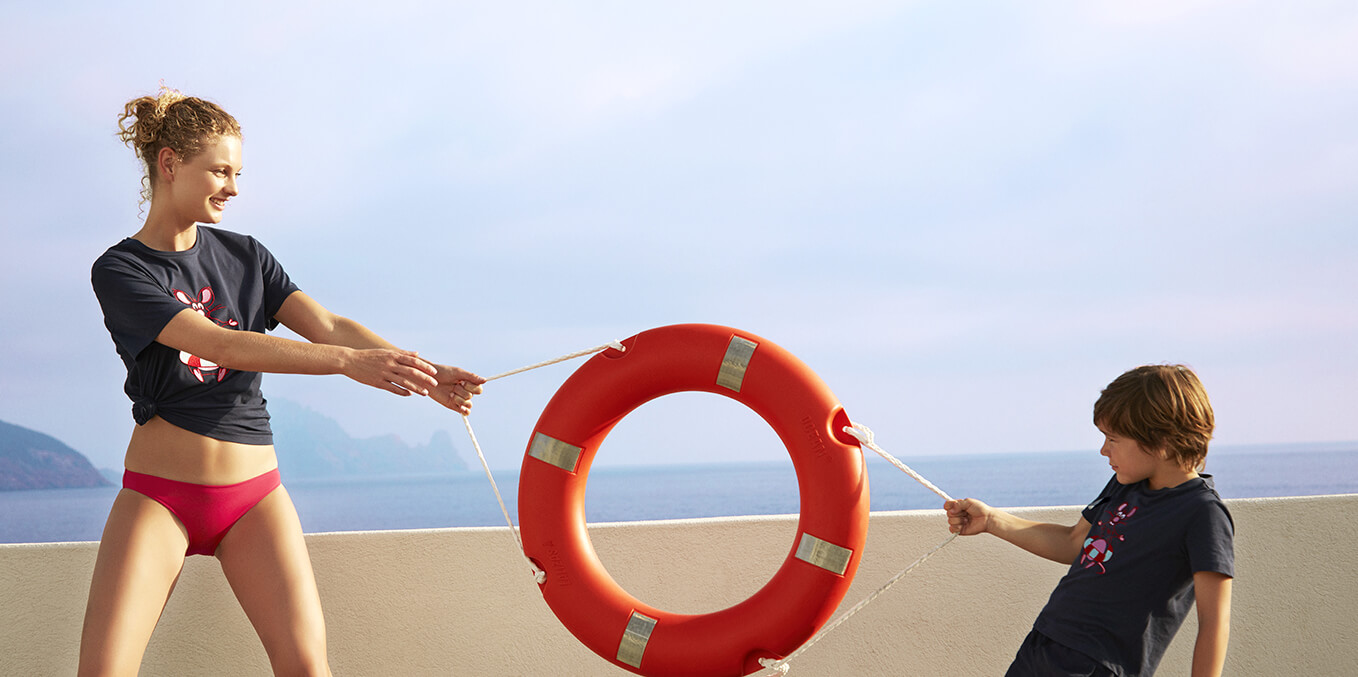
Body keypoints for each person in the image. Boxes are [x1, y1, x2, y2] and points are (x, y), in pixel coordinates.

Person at [81, 86, 485, 676]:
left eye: (237, 172)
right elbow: (217, 341)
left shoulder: (247, 255)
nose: (234, 188)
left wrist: (421, 372)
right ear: (169, 163)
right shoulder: (120, 270)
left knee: (305, 668)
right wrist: (348, 364)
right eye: (220, 170)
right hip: (158, 496)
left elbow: (327, 324)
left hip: (254, 499)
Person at [944, 365, 1234, 677]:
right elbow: (1074, 543)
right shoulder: (1125, 483)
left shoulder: (1202, 512)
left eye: (1113, 438)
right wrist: (991, 520)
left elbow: (1214, 623)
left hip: (1097, 667)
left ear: (1160, 439)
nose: (1103, 449)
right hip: (1043, 646)